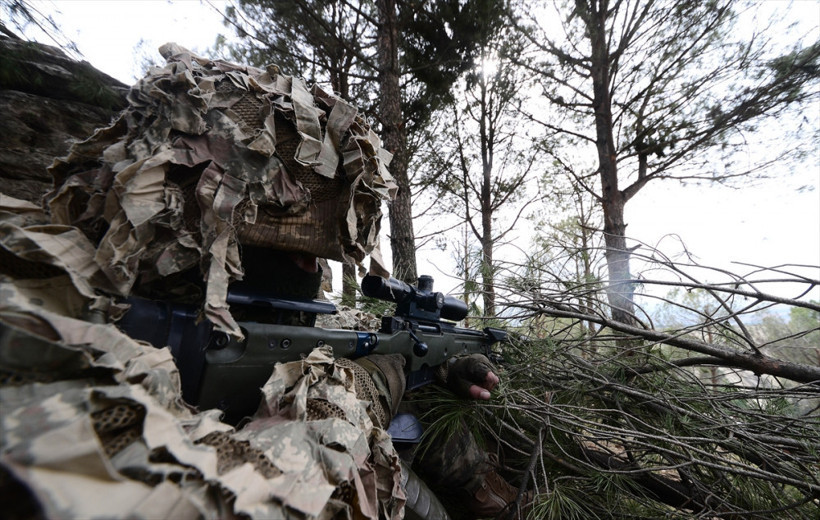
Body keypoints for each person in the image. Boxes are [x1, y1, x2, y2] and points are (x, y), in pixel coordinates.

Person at [0, 44, 527, 519]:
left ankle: (489, 496)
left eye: (318, 257)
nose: (313, 271)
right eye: (291, 250)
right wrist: (371, 383)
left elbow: (336, 337)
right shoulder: (37, 301)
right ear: (192, 227)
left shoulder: (248, 309)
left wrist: (441, 365)